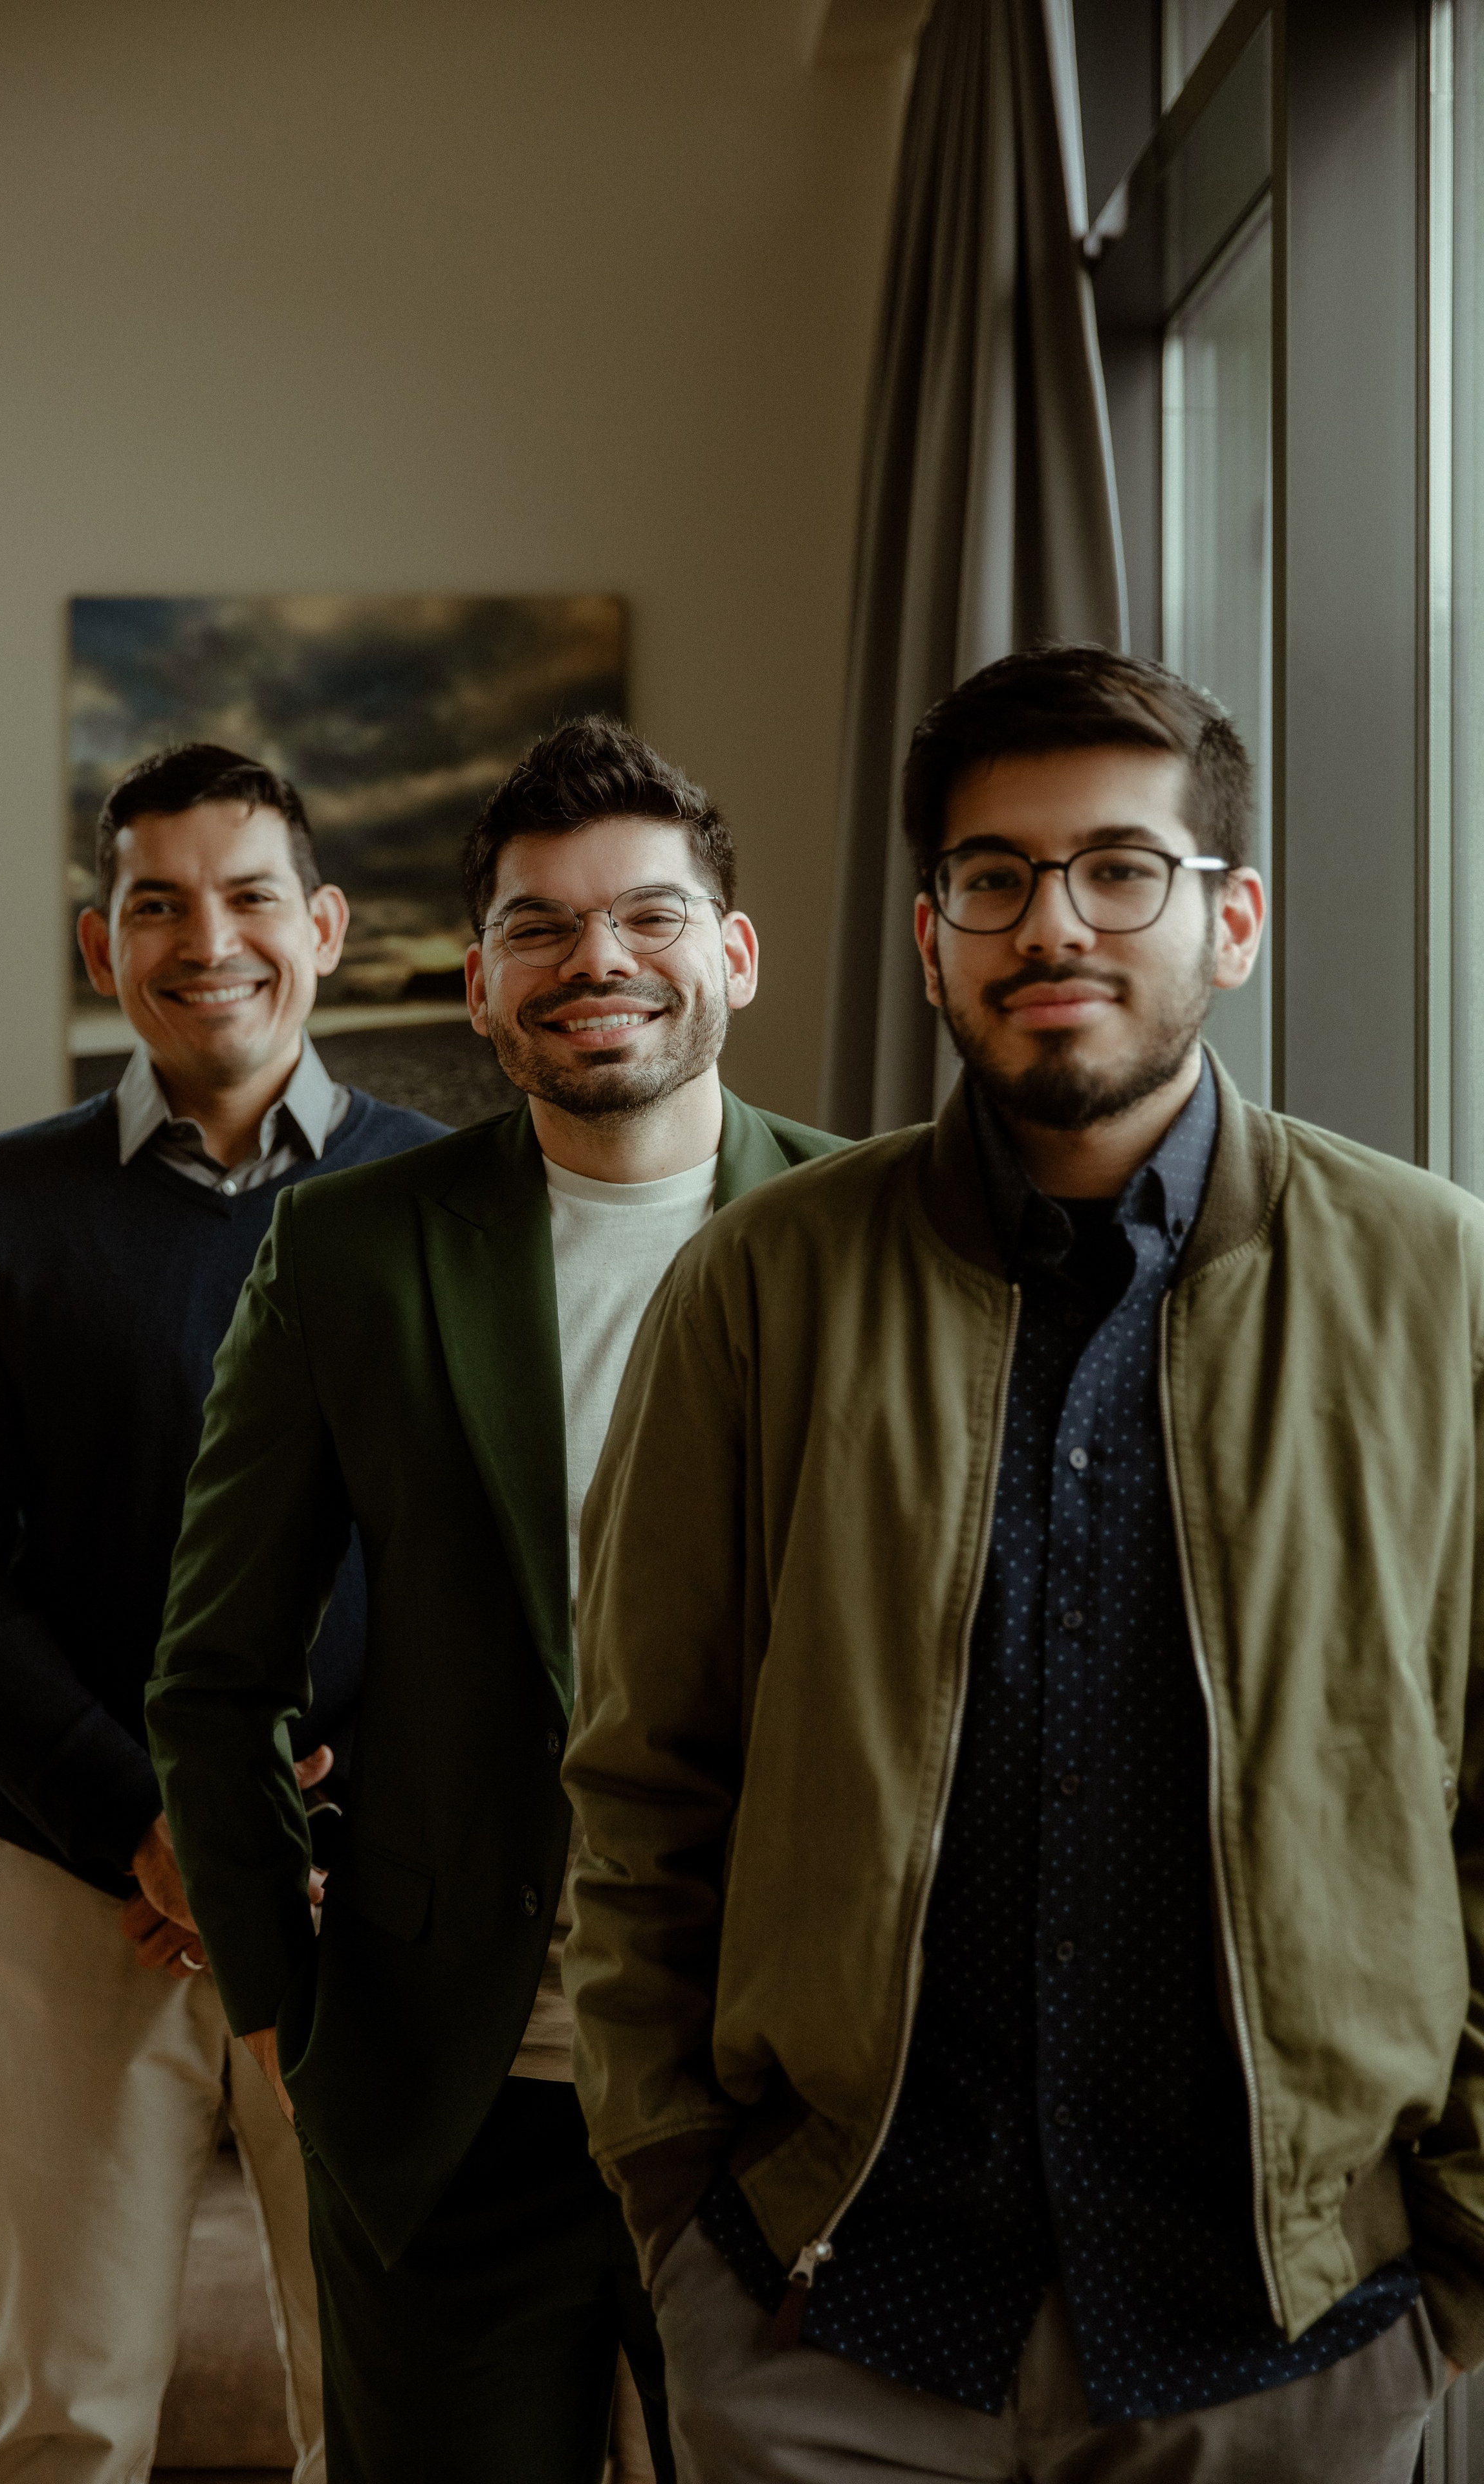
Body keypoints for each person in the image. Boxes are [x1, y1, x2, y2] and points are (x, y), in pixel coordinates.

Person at [563, 644, 1484, 2484]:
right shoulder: (761, 1287)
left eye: (1120, 868)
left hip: (1289, 2336)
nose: (1053, 922)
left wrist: (1454, 2249)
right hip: (832, 2315)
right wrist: (681, 2217)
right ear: (932, 940)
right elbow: (646, 1783)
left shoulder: (1436, 1285)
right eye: (995, 877)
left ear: (1233, 921)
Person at [144, 715, 845, 2484]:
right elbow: (216, 1677)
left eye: (648, 915)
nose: (596, 959)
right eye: (539, 926)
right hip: (454, 2107)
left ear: (736, 954)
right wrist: (281, 2014)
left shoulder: (878, 1237)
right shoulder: (352, 1252)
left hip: (795, 2114)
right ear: (479, 985)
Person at [0, 742, 445, 2484]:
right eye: (156, 905)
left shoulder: (447, 1201)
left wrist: (312, 1829)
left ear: (323, 927)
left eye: (251, 896)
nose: (208, 942)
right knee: (67, 2425)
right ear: (97, 943)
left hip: (366, 1902)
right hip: (67, 1899)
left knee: (390, 2419)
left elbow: (497, 1569)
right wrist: (151, 1823)